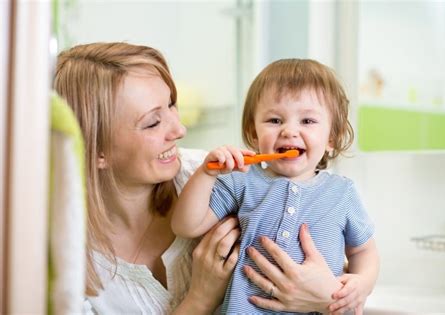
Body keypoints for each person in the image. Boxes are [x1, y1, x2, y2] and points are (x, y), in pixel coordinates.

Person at [54, 43, 344, 314]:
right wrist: (199, 299)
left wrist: (329, 294)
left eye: (171, 105)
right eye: (153, 122)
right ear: (96, 151)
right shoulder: (57, 255)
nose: (179, 130)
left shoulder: (217, 178)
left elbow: (334, 263)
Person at [172, 58, 380, 314]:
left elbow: (364, 252)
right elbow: (186, 225)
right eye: (274, 120)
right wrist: (206, 173)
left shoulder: (342, 193)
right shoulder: (241, 181)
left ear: (331, 138)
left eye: (307, 121)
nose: (289, 131)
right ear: (253, 133)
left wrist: (362, 283)